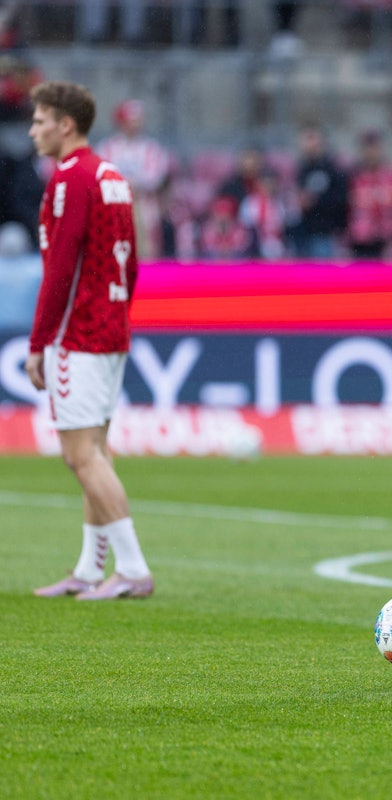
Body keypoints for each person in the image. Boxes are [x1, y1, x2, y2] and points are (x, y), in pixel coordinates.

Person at [25, 80, 153, 600]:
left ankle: (133, 569)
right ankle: (88, 568)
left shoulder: (70, 178)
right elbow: (133, 259)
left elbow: (60, 268)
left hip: (78, 332)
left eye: (40, 121)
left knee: (80, 455)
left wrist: (39, 341)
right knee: (95, 451)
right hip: (111, 326)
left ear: (66, 124)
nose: (32, 131)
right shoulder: (112, 175)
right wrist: (115, 313)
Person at [97, 99, 174, 260]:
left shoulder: (151, 149)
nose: (135, 125)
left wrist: (134, 184)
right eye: (131, 121)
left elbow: (156, 177)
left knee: (147, 250)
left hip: (144, 206)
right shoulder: (107, 148)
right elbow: (100, 176)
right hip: (115, 205)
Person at [290, 124, 348, 259]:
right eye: (305, 139)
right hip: (302, 232)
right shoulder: (302, 168)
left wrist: (316, 200)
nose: (308, 143)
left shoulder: (332, 168)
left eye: (311, 138)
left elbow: (342, 198)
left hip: (324, 233)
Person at [346, 130, 392, 259]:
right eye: (368, 147)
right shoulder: (354, 173)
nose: (371, 151)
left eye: (374, 147)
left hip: (386, 234)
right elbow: (349, 203)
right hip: (360, 234)